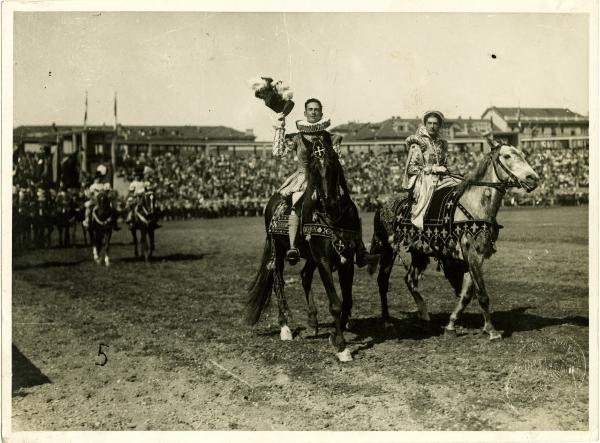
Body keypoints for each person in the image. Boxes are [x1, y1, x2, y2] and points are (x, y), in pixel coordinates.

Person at [272, 98, 377, 267]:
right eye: (310, 109)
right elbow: (278, 153)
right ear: (305, 113)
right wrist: (279, 126)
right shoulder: (297, 138)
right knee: (297, 203)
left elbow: (338, 162)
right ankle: (293, 247)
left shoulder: (332, 138)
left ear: (321, 113)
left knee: (353, 207)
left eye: (316, 109)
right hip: (303, 178)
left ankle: (360, 249)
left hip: (327, 178)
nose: (313, 112)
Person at [401, 110, 461, 229]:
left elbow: (443, 164)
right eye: (429, 123)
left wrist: (448, 169)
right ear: (425, 124)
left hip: (441, 177)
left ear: (439, 125)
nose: (432, 126)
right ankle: (418, 220)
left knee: (461, 184)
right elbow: (412, 168)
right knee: (429, 187)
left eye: (435, 123)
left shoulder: (441, 143)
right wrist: (434, 169)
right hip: (423, 178)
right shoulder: (418, 143)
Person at [83, 164, 120, 231]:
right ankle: (88, 222)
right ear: (95, 178)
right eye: (97, 178)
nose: (98, 179)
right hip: (95, 201)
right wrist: (92, 196)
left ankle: (114, 224)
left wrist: (109, 194)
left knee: (112, 208)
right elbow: (90, 195)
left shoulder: (103, 185)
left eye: (99, 178)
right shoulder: (92, 186)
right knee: (89, 210)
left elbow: (108, 193)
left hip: (104, 201)